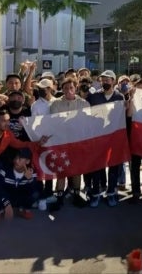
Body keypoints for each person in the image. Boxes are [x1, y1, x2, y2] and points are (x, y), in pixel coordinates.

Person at [85, 70, 125, 208]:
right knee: (97, 165)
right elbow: (86, 114)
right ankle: (95, 193)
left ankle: (111, 192)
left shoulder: (119, 97)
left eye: (107, 80)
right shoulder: (93, 97)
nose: (105, 82)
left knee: (113, 166)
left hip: (114, 137)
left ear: (113, 81)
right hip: (97, 137)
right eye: (103, 80)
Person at [49, 78, 90, 208]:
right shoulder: (55, 104)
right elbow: (55, 121)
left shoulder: (84, 103)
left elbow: (86, 122)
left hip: (77, 141)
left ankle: (76, 194)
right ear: (62, 89)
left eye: (71, 87)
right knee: (61, 169)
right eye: (65, 88)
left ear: (76, 88)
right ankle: (59, 196)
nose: (68, 90)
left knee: (77, 169)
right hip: (61, 141)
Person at [0, 147, 41, 221]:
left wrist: (30, 179)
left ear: (27, 161)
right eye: (15, 157)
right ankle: (0, 210)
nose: (16, 161)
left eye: (20, 158)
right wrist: (7, 203)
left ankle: (25, 209)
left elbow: (33, 190)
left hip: (20, 197)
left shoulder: (32, 172)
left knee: (35, 194)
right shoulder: (5, 169)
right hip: (7, 197)